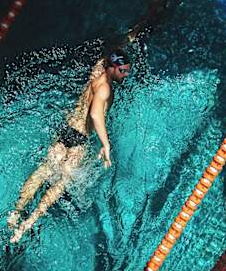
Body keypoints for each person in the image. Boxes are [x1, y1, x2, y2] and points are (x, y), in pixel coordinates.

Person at [7, 49, 132, 243]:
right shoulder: (105, 88)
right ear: (113, 68)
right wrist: (106, 144)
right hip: (79, 140)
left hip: (66, 129)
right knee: (61, 184)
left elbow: (113, 50)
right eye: (123, 70)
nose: (126, 75)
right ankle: (28, 223)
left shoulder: (98, 69)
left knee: (43, 171)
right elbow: (95, 114)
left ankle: (15, 213)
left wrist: (131, 36)